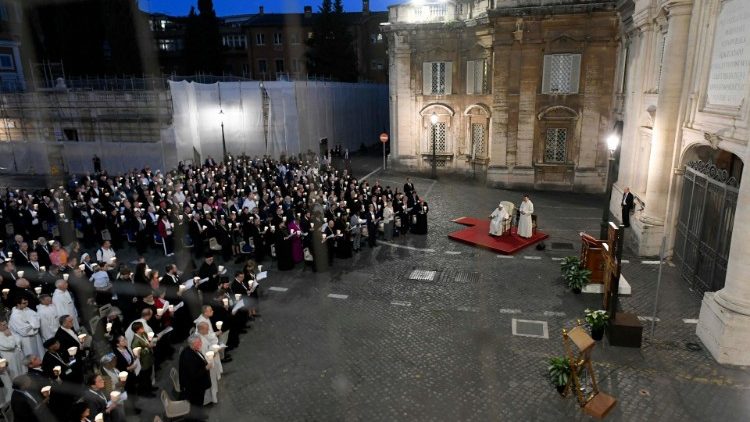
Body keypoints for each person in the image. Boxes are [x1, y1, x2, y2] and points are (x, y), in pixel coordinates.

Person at [179, 333, 212, 421]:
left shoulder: (191, 350)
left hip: (196, 385)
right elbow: (194, 375)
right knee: (196, 404)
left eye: (200, 342)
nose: (201, 344)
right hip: (194, 387)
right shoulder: (189, 357)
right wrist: (206, 368)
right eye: (199, 343)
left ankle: (199, 415)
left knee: (199, 403)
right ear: (193, 344)